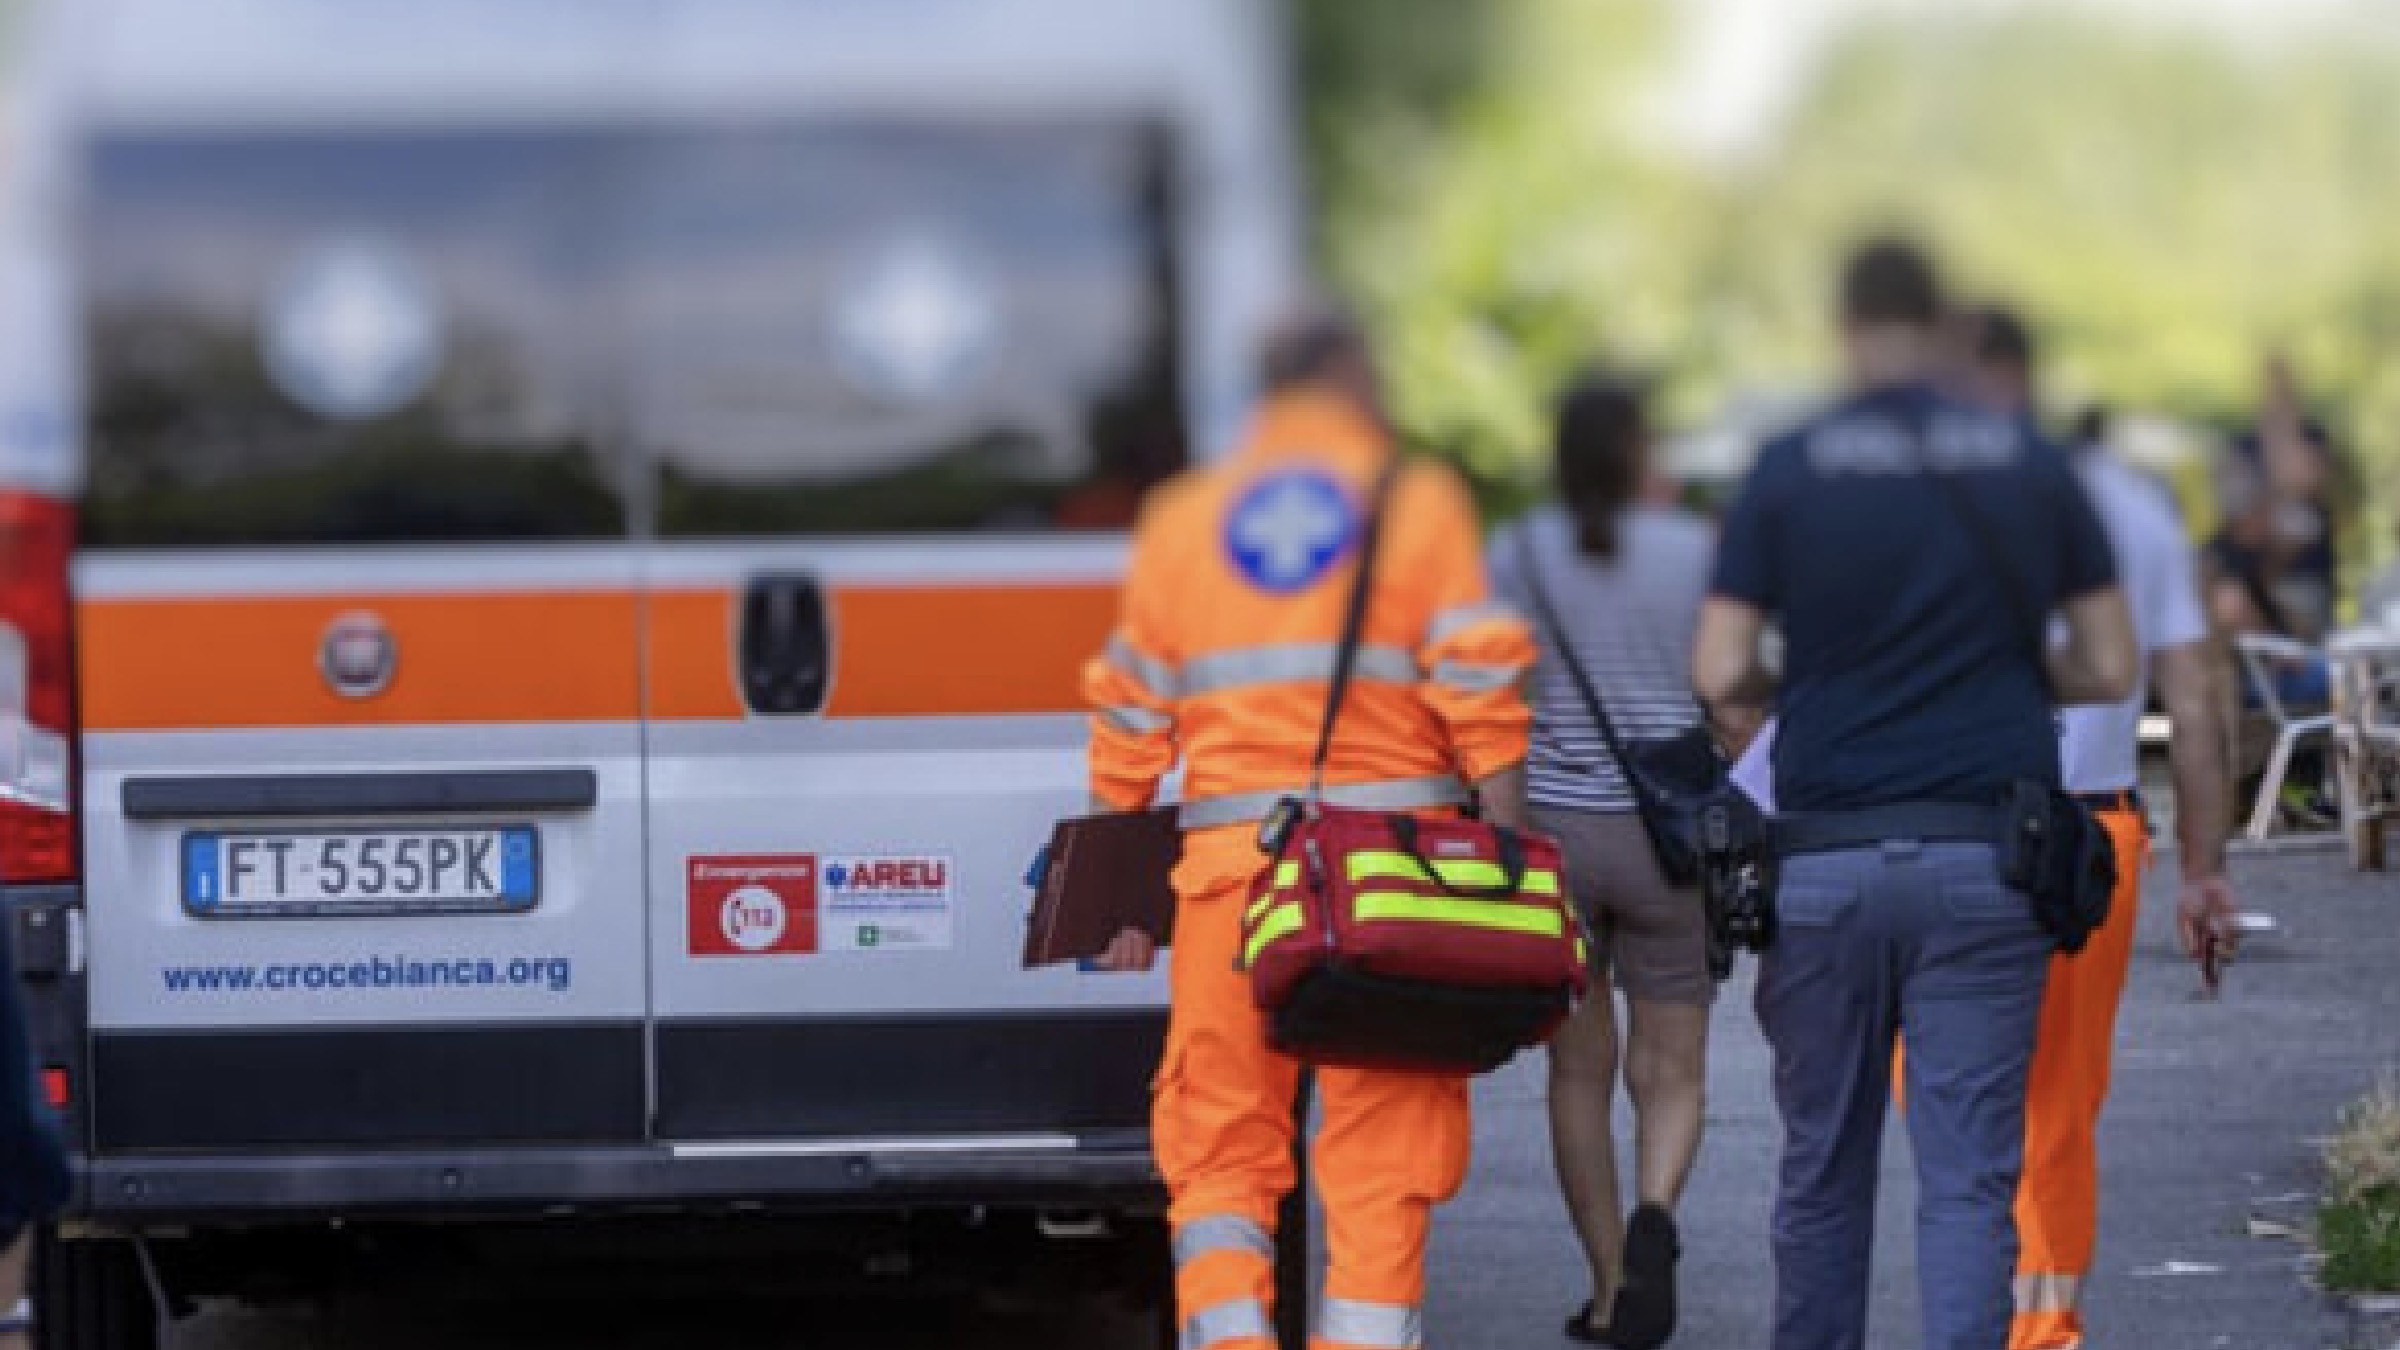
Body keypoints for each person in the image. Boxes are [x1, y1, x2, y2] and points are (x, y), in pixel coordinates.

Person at [1692, 237, 2138, 1350]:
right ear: (1942, 327)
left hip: (1824, 866)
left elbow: (1719, 667)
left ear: (1844, 328)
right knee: (1967, 1182)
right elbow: (2111, 660)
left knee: (1822, 1173)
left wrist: (1816, 675)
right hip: (1986, 862)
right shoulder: (2029, 463)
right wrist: (1999, 668)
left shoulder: (1790, 466)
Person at [1080, 305, 1537, 1350]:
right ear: (1352, 375)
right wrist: (1510, 856)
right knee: (1382, 1159)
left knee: (1221, 1149)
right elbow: (1479, 680)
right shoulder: (1415, 501)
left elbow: (1129, 710)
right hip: (1391, 884)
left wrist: (1115, 895)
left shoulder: (1185, 516)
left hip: (1231, 884)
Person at [1962, 305, 2245, 1350]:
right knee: (2056, 1102)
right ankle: (2038, 1330)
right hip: (2090, 839)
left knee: (1956, 1096)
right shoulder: (2131, 505)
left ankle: (2009, 1319)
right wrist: (2206, 869)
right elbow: (2201, 696)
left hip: (1953, 829)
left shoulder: (1917, 493)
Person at [1483, 375, 1714, 1349]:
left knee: (1578, 1074)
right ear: (1634, 451)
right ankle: (1656, 1211)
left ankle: (1612, 1289)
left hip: (1553, 838)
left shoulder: (1515, 553)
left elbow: (1488, 692)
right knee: (1674, 1069)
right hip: (1669, 840)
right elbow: (1729, 682)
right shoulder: (1694, 550)